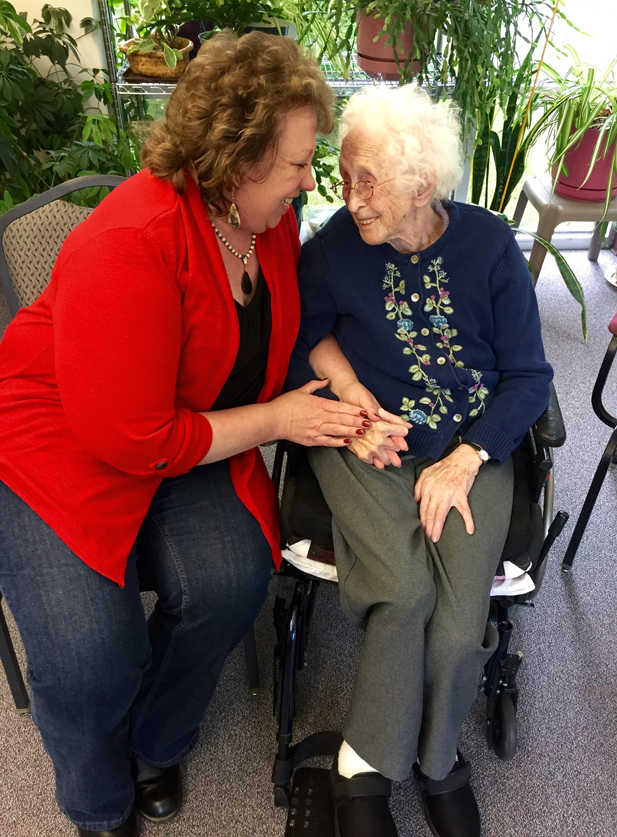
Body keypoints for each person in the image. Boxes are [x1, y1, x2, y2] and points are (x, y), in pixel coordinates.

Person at [0, 32, 383, 837]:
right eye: (295, 163)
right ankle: (99, 805)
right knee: (87, 658)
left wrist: (353, 393)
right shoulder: (131, 244)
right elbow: (133, 438)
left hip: (186, 415)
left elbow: (285, 329)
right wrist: (280, 420)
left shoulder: (265, 220)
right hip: (59, 437)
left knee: (230, 580)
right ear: (235, 160)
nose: (307, 180)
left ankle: (155, 740)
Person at [285, 83, 553, 837]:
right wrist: (352, 393)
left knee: (462, 624)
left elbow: (530, 376)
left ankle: (439, 762)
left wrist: (468, 455)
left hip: (470, 444)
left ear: (421, 184)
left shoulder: (490, 246)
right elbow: (306, 333)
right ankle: (363, 774)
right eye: (344, 177)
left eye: (367, 181)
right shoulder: (336, 248)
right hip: (365, 436)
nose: (351, 198)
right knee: (404, 592)